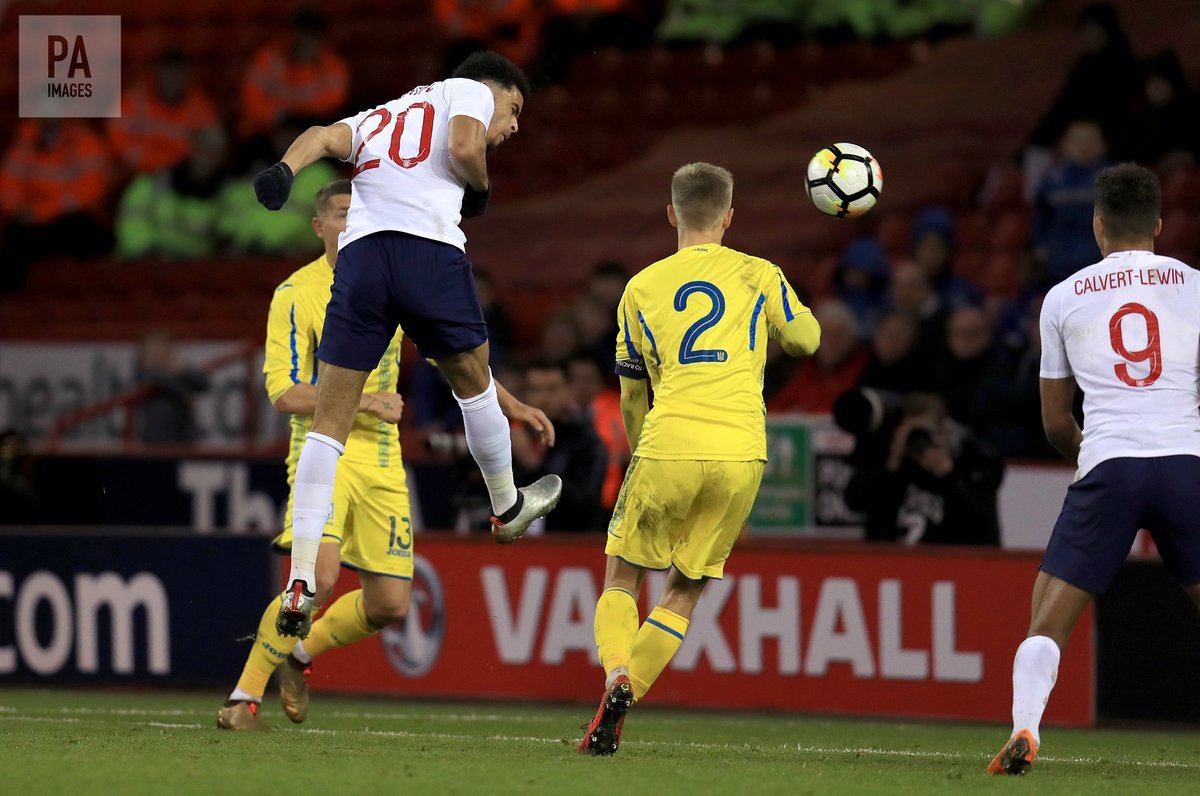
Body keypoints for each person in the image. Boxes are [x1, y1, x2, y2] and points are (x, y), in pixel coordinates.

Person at [218, 180, 551, 729]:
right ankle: (242, 699)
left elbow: (453, 357)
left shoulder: (384, 280)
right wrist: (368, 400)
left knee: (391, 605)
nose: (352, 222)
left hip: (382, 463)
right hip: (324, 452)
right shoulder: (296, 293)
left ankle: (299, 657)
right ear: (319, 226)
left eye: (359, 212)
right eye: (342, 214)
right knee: (319, 581)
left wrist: (505, 401)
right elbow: (284, 393)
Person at [251, 50, 562, 637]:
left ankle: (299, 580)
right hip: (426, 250)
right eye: (514, 109)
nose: (514, 125)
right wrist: (482, 188)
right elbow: (467, 149)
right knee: (473, 383)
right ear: (492, 89)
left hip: (364, 262)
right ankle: (507, 504)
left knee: (328, 423)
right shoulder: (465, 91)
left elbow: (319, 136)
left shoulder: (381, 113)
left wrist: (284, 173)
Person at [579, 162, 821, 755]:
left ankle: (615, 673)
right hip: (742, 451)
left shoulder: (640, 288)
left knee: (623, 576)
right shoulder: (759, 274)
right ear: (730, 217)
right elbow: (808, 341)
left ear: (672, 214)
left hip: (670, 443)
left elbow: (631, 394)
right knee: (684, 590)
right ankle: (625, 697)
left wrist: (644, 455)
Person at [988, 164, 1200, 774]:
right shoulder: (1193, 284)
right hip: (1184, 461)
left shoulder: (1062, 297)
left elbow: (1056, 422)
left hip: (1110, 463)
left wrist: (1098, 454)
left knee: (1047, 615)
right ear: (1159, 224)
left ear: (1097, 225)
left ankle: (1025, 728)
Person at [842, 391, 1003, 545]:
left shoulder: (972, 462)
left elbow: (980, 525)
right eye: (910, 431)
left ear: (944, 430)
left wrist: (946, 473)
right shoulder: (891, 462)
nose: (918, 439)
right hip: (893, 562)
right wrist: (892, 464)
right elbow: (854, 502)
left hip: (949, 564)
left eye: (924, 432)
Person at [512, 359, 606, 531]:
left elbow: (585, 506)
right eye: (535, 390)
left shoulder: (586, 443)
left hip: (567, 545)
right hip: (512, 545)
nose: (544, 399)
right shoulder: (512, 439)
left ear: (568, 391)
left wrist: (535, 466)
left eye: (552, 389)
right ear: (523, 395)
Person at [116, 126, 232, 260]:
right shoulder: (149, 183)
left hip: (197, 269)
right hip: (145, 265)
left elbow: (232, 232)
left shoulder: (230, 193)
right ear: (192, 147)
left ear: (224, 157)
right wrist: (150, 251)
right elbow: (131, 226)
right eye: (204, 149)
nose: (208, 157)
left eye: (216, 152)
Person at [107, 49, 219, 175]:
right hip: (135, 172)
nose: (172, 79)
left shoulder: (201, 108)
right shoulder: (133, 101)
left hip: (182, 177)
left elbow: (211, 145)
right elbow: (117, 139)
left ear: (187, 76)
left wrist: (174, 167)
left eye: (177, 74)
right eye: (167, 73)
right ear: (157, 73)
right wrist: (154, 164)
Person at [1032, 119, 1109, 284]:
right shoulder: (1051, 178)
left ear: (1101, 145)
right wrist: (1041, 246)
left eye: (1089, 141)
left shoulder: (1112, 178)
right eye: (1078, 141)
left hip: (1099, 260)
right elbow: (1041, 215)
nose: (1083, 147)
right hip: (1059, 258)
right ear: (1065, 144)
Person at [135, 330, 211, 445]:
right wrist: (186, 395)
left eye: (163, 349)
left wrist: (184, 371)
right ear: (144, 354)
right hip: (157, 438)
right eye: (154, 350)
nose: (159, 354)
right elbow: (165, 383)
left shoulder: (178, 373)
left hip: (182, 435)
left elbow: (204, 385)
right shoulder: (145, 374)